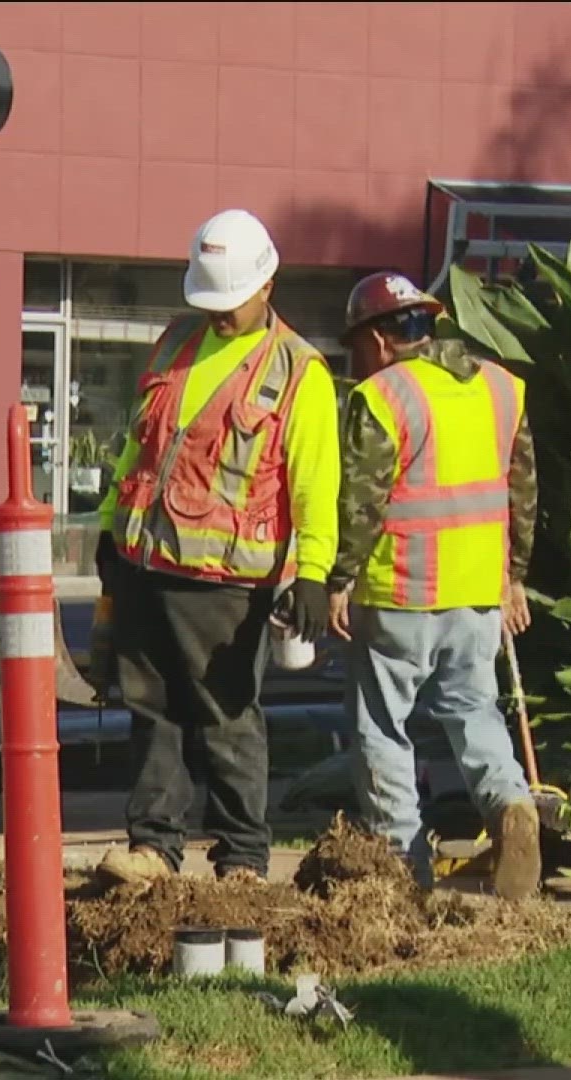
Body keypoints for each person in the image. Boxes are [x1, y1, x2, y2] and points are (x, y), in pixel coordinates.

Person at [92, 209, 340, 886]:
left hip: (227, 582)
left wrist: (313, 572)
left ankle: (242, 859)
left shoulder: (297, 373)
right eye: (211, 302)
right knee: (152, 714)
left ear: (267, 285)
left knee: (226, 720)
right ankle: (153, 847)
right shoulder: (176, 342)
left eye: (229, 303)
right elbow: (138, 449)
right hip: (147, 565)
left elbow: (317, 483)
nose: (220, 315)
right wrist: (112, 527)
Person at [325, 270, 541, 898]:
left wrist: (338, 579)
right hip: (475, 595)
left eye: (355, 345)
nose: (354, 359)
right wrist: (514, 578)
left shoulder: (386, 395)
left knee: (382, 729)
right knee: (473, 710)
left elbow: (361, 502)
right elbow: (522, 489)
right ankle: (509, 801)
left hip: (400, 592)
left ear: (380, 339)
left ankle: (402, 865)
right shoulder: (500, 388)